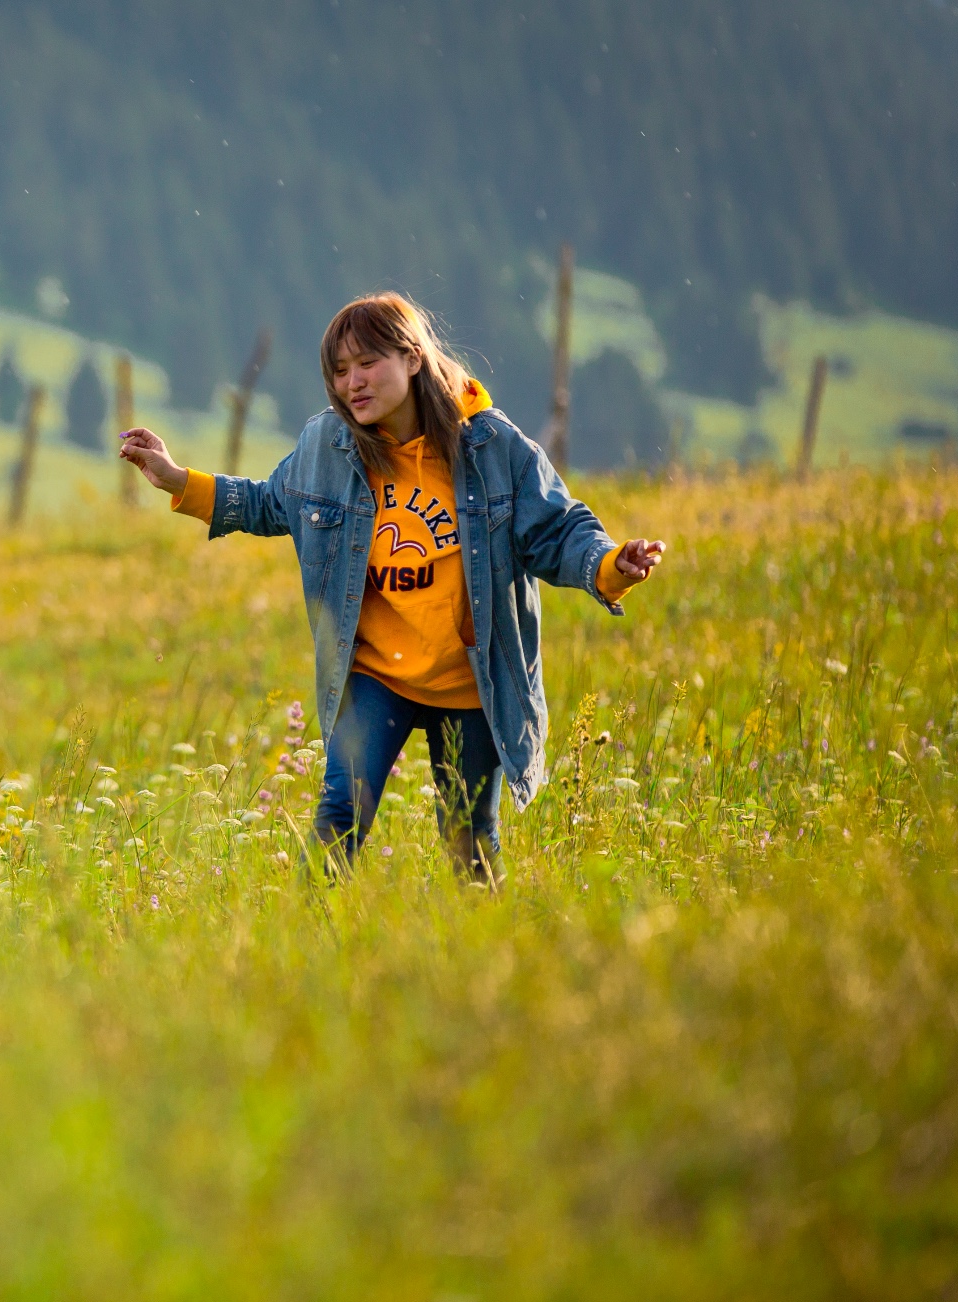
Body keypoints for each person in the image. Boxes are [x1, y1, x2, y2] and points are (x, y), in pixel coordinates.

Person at [119, 292, 666, 884]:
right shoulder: (328, 446)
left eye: (367, 363)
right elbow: (269, 502)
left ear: (411, 358)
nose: (352, 382)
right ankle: (305, 945)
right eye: (339, 370)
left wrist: (612, 565)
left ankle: (479, 954)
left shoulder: (491, 448)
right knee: (339, 814)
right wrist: (178, 479)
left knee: (468, 840)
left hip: (468, 683)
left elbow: (558, 530)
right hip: (376, 674)